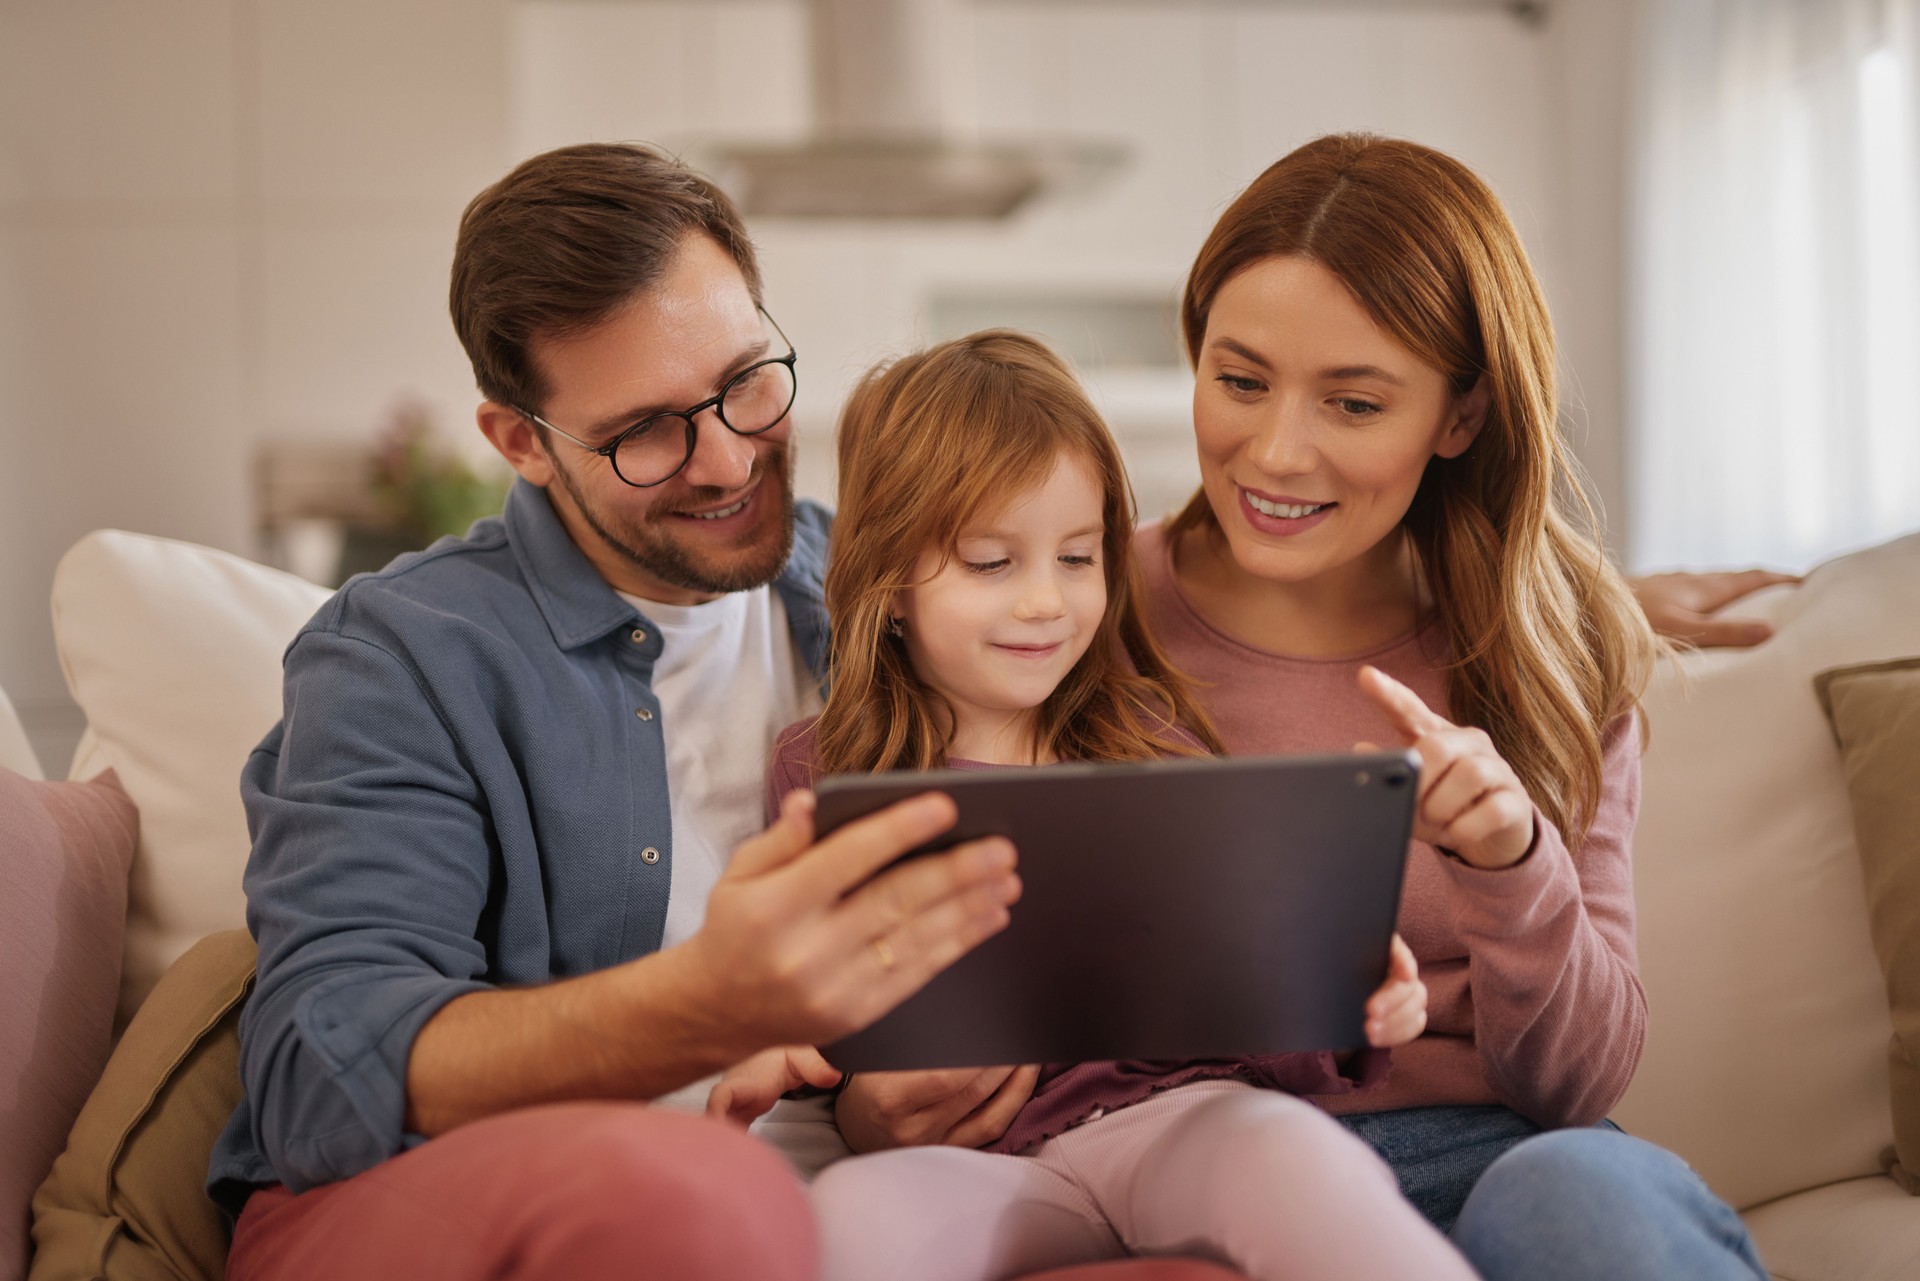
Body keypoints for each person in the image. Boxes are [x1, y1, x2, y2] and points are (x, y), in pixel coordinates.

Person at [205, 143, 1028, 1281]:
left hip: (852, 1189)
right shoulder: (402, 656)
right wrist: (703, 1005)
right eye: (647, 430)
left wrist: (904, 1095)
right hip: (472, 1196)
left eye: (749, 381)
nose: (730, 457)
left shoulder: (898, 591)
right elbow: (324, 1070)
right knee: (703, 1196)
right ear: (520, 443)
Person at [709, 329, 1474, 1281]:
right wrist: (784, 1055)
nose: (1046, 603)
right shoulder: (824, 777)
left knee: (1294, 1154)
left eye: (1077, 558)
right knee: (850, 1216)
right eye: (993, 562)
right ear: (889, 583)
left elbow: (1253, 1005)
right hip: (982, 1167)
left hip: (1180, 1124)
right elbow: (815, 1013)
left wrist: (1342, 998)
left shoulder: (1149, 740)